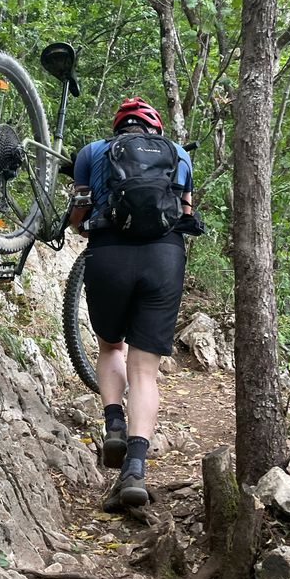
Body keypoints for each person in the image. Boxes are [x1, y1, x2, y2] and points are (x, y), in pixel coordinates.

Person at [69, 97, 194, 509]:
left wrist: (89, 224)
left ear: (118, 128)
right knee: (145, 372)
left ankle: (113, 424)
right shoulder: (179, 155)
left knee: (111, 346)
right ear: (156, 130)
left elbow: (79, 214)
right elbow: (185, 213)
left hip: (109, 255)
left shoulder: (92, 152)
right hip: (164, 259)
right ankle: (135, 469)